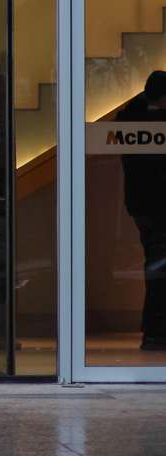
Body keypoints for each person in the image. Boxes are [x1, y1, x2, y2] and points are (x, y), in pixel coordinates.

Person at [117, 71, 166, 350]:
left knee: (155, 264)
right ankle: (157, 331)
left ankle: (153, 330)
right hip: (158, 204)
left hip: (138, 203)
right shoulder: (155, 121)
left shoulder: (128, 117)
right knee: (159, 267)